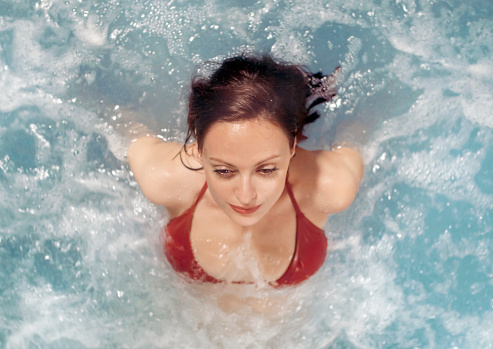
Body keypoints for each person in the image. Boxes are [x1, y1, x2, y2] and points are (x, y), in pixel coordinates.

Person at [125, 55, 363, 288]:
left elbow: (358, 131)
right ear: (198, 147)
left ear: (292, 146)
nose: (246, 196)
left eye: (267, 170)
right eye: (224, 171)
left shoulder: (330, 185)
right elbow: (119, 122)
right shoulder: (165, 178)